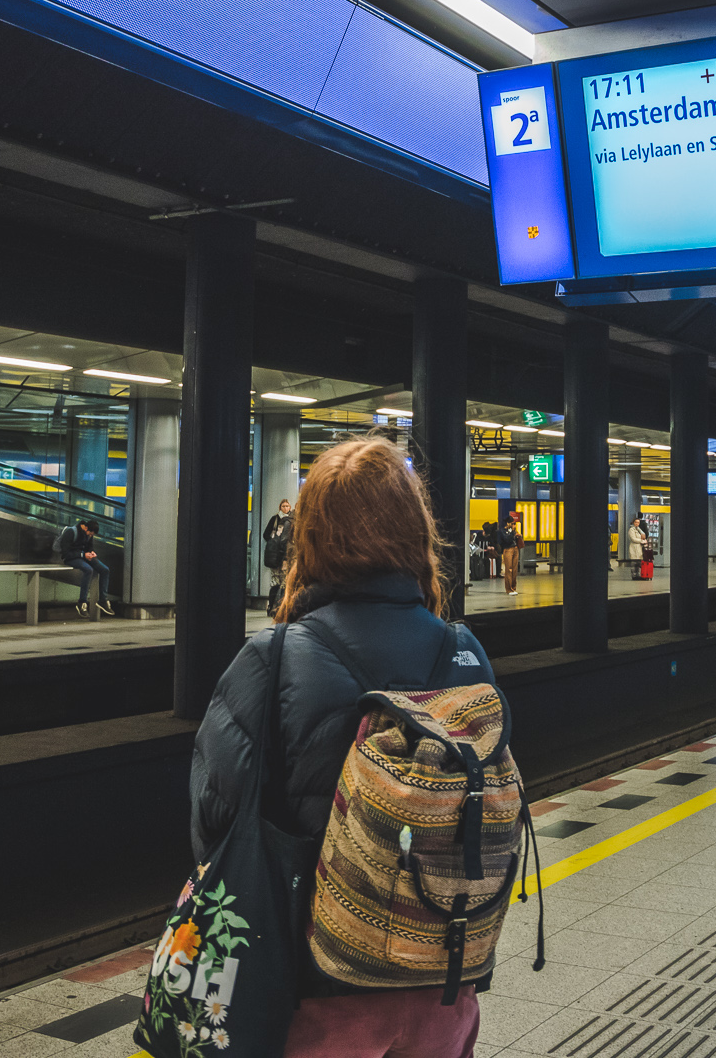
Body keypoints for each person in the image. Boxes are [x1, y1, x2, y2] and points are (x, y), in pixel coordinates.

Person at [188, 435, 495, 1057]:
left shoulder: (271, 660)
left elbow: (211, 822)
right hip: (440, 985)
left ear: (311, 537)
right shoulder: (462, 652)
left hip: (315, 991)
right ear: (415, 533)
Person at [59, 519, 111, 615]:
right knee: (88, 570)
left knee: (105, 570)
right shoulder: (71, 532)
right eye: (90, 534)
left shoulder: (88, 533)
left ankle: (103, 600)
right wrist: (83, 555)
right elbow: (66, 553)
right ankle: (82, 602)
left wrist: (91, 552)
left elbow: (89, 546)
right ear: (85, 528)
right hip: (71, 558)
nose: (90, 536)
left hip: (84, 556)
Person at [501, 509, 523, 594]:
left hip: (515, 549)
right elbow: (506, 540)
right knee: (509, 569)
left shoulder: (514, 531)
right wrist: (512, 534)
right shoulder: (503, 531)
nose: (514, 525)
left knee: (514, 569)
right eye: (513, 523)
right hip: (508, 550)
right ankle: (508, 589)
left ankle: (514, 588)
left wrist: (519, 536)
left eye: (515, 523)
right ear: (508, 523)